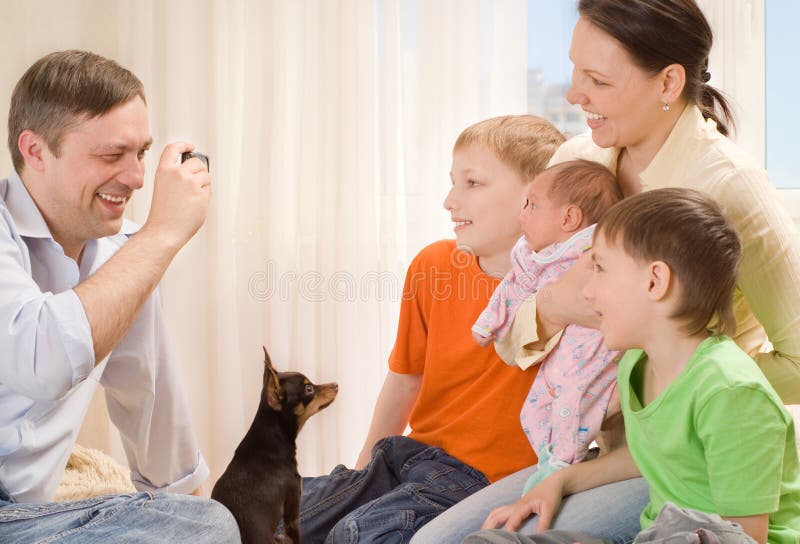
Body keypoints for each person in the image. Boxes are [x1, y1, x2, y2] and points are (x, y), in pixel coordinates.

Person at [414, 0, 800, 542]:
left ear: (668, 82)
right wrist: (555, 306)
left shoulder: (728, 185)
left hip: (691, 455)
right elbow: (517, 320)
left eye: (596, 79)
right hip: (605, 448)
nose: (574, 94)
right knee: (432, 539)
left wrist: (687, 394)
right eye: (574, 71)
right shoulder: (576, 165)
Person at [296, 115, 645, 543]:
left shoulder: (578, 287)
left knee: (356, 535)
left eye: (472, 184)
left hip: (482, 481)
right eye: (452, 182)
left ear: (536, 197)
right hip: (406, 458)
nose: (449, 200)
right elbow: (405, 379)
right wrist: (360, 473)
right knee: (282, 517)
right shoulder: (434, 265)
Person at [466, 188, 800, 544]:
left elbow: (745, 538)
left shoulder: (730, 393)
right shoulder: (637, 366)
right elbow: (653, 458)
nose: (588, 292)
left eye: (600, 269)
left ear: (655, 281)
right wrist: (560, 480)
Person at [0, 51, 239, 542]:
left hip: (31, 516)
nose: (136, 178)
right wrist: (161, 235)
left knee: (210, 524)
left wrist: (191, 518)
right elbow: (40, 356)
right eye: (112, 155)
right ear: (36, 150)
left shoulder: (123, 254)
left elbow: (147, 393)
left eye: (142, 153)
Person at [471, 160, 622, 494]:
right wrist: (490, 322)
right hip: (557, 360)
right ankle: (549, 459)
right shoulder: (535, 256)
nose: (522, 214)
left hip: (591, 356)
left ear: (568, 218)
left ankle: (562, 466)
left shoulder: (595, 246)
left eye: (532, 205)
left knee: (573, 406)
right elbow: (514, 288)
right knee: (532, 411)